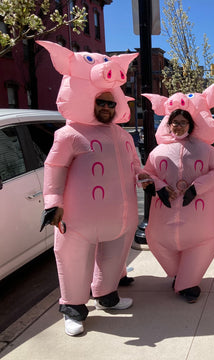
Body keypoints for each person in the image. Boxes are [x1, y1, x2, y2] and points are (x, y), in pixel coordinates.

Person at [38, 41, 147, 336]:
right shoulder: (68, 133)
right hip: (78, 220)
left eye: (111, 103)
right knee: (73, 262)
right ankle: (73, 308)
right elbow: (55, 167)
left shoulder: (123, 135)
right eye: (102, 102)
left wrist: (144, 177)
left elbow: (135, 165)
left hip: (119, 217)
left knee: (114, 259)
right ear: (90, 102)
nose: (107, 108)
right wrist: (53, 202)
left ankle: (107, 294)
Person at [142, 82, 214, 303]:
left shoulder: (206, 150)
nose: (178, 126)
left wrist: (198, 187)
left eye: (183, 122)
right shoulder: (158, 152)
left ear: (191, 124)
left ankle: (187, 281)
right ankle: (180, 275)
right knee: (158, 243)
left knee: (201, 246)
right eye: (174, 122)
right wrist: (159, 187)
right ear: (168, 125)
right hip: (165, 217)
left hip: (198, 219)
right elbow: (145, 174)